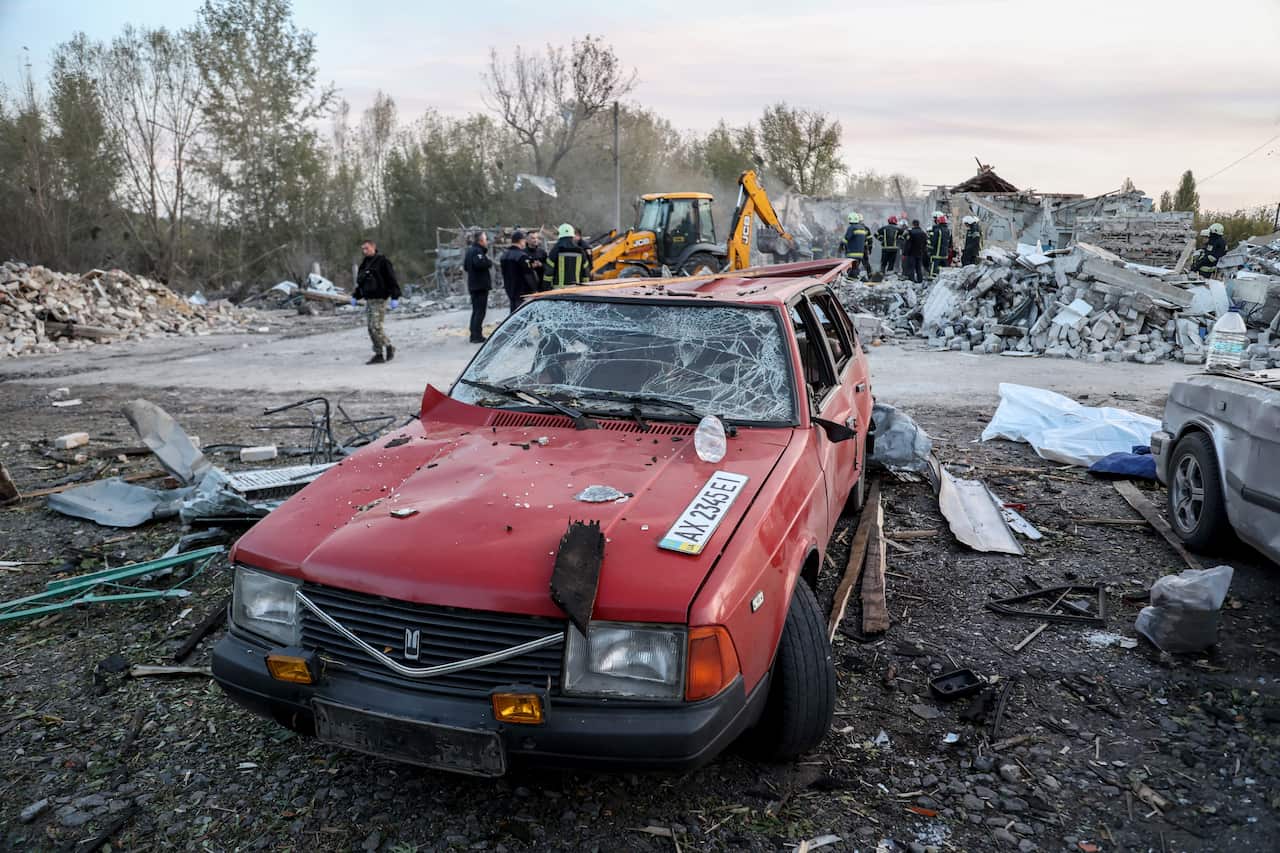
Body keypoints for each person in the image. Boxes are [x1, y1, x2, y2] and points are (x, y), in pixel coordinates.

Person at [352, 238, 401, 364]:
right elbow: (361, 282)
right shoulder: (364, 263)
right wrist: (355, 296)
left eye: (366, 248)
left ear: (373, 247)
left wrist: (395, 297)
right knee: (370, 328)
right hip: (369, 299)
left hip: (380, 299)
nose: (364, 251)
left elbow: (392, 279)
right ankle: (378, 354)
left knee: (376, 326)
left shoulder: (383, 261)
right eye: (363, 249)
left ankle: (389, 346)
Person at [463, 231, 492, 343]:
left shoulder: (470, 251)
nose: (487, 242)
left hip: (474, 285)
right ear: (480, 241)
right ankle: (476, 336)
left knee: (476, 311)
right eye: (485, 240)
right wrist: (488, 262)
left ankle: (474, 334)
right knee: (480, 311)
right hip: (479, 286)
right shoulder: (477, 251)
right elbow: (480, 263)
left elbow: (466, 267)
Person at [545, 223, 591, 288]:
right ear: (572, 235)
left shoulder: (555, 250)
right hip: (575, 290)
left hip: (558, 291)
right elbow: (586, 272)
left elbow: (548, 272)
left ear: (560, 235)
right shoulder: (580, 251)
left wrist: (546, 287)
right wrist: (585, 287)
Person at [499, 230, 534, 313]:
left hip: (510, 290)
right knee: (523, 315)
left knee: (513, 314)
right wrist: (534, 289)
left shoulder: (504, 256)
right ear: (521, 241)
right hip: (522, 292)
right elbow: (528, 274)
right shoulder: (522, 256)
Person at [839, 212, 872, 279]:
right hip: (861, 252)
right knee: (859, 265)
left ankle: (853, 279)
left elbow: (846, 239)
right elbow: (869, 240)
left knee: (852, 267)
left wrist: (841, 246)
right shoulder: (863, 228)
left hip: (852, 252)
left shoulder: (851, 228)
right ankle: (868, 276)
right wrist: (869, 248)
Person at [928, 212, 952, 278]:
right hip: (945, 254)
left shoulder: (937, 230)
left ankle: (932, 278)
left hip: (936, 253)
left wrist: (929, 249)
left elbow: (933, 241)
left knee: (934, 267)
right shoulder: (948, 230)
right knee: (943, 268)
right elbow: (950, 242)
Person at [904, 219, 928, 284]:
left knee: (911, 267)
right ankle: (920, 280)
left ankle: (912, 280)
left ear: (913, 224)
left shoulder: (910, 232)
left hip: (911, 253)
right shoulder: (923, 233)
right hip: (920, 253)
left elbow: (908, 244)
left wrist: (905, 253)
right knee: (918, 267)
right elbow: (925, 243)